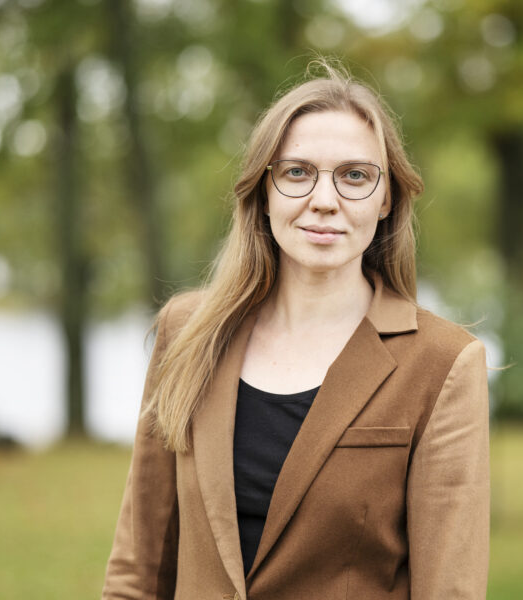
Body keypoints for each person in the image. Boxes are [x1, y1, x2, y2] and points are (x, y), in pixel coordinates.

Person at [102, 62, 490, 600]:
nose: (324, 200)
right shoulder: (187, 332)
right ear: (265, 191)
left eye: (355, 176)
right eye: (297, 172)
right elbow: (139, 571)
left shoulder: (442, 363)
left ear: (386, 199)